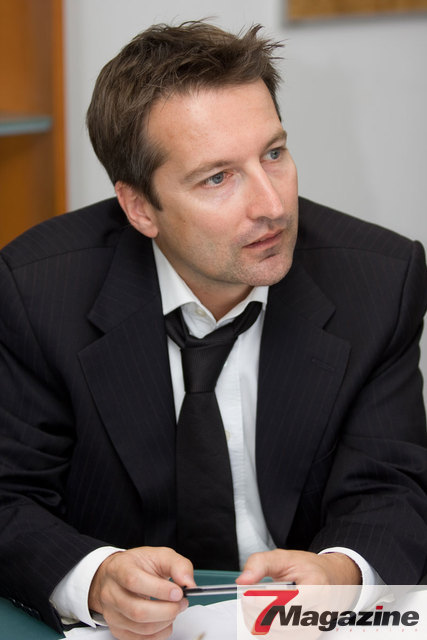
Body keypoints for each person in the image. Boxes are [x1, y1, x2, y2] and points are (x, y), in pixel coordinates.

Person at [0, 20, 426, 640]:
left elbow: (392, 486)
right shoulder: (37, 290)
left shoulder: (380, 282)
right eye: (217, 177)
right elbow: (9, 497)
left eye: (273, 154)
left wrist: (339, 574)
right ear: (139, 207)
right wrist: (95, 578)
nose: (272, 206)